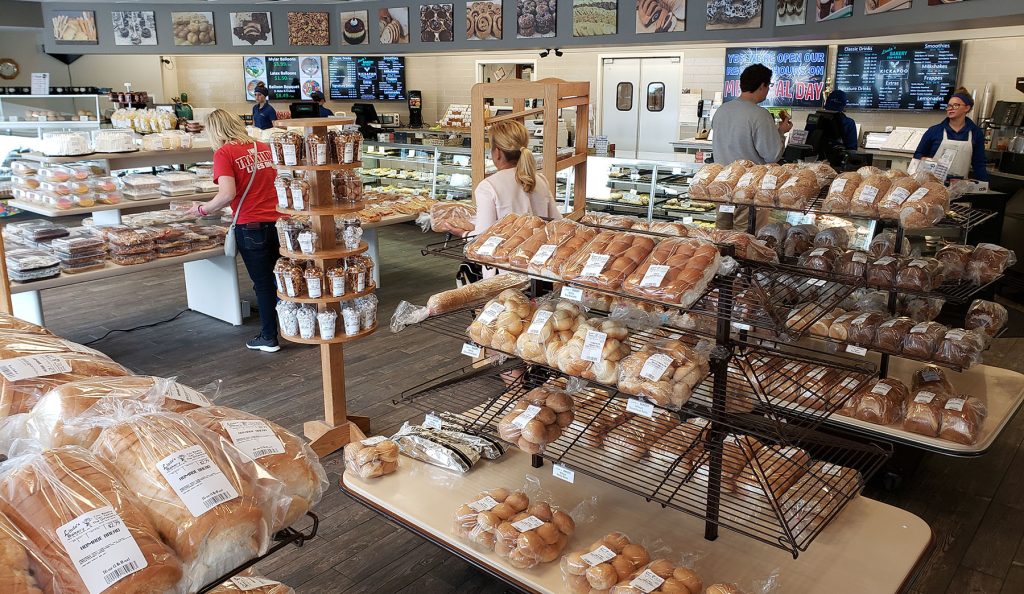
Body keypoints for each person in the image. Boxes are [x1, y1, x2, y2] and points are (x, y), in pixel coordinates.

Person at [187, 110, 282, 352]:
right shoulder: (263, 147)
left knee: (263, 283)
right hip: (281, 223)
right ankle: (295, 326)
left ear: (215, 131)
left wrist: (202, 209)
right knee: (281, 279)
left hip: (252, 227)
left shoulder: (224, 153)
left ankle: (269, 337)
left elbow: (227, 194)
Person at [472, 120, 561, 237]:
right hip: (536, 250)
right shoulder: (540, 180)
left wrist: (463, 233)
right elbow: (557, 223)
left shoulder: (488, 186)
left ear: (497, 152)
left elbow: (481, 237)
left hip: (503, 253)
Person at [711, 64, 793, 165]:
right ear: (762, 86)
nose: (768, 90)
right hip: (749, 178)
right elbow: (772, 156)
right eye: (769, 85)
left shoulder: (721, 110)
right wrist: (781, 132)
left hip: (722, 176)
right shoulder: (760, 114)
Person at [914, 88, 989, 181]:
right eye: (949, 106)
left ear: (967, 108)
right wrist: (926, 160)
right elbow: (917, 155)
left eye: (956, 105)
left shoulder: (976, 133)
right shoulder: (934, 131)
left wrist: (985, 185)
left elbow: (979, 163)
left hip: (959, 186)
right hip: (932, 184)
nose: (950, 108)